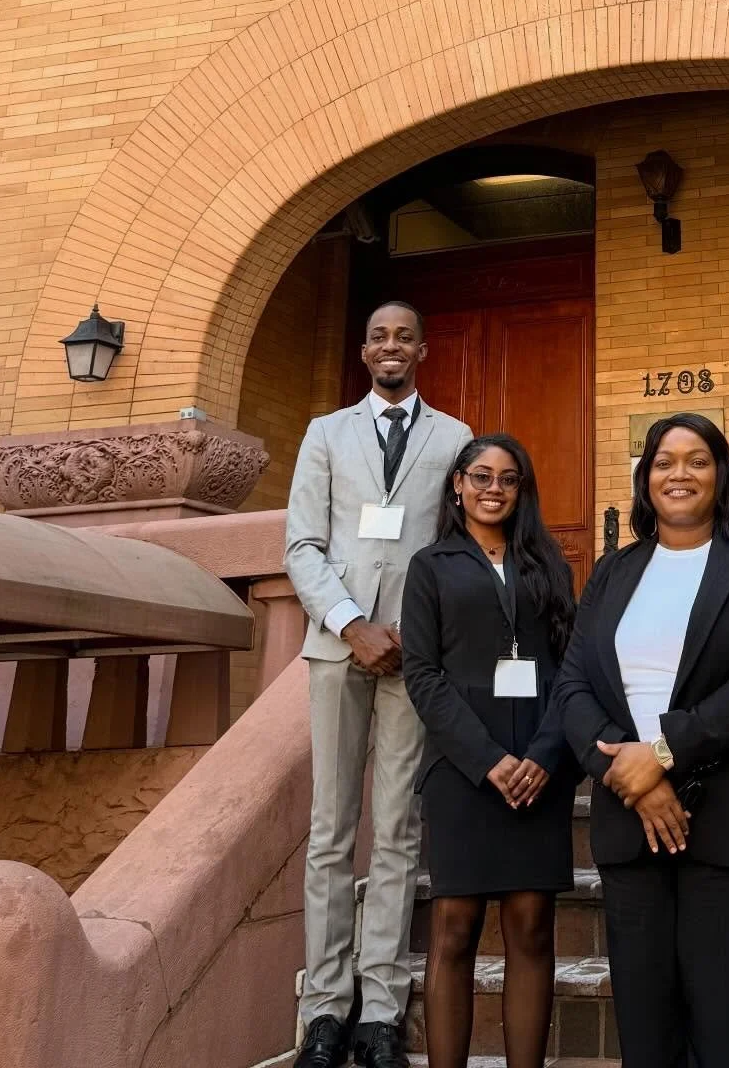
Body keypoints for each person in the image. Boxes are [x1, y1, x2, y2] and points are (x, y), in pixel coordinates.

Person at [552, 412, 729, 1068]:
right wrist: (625, 774)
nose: (679, 473)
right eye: (664, 461)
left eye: (697, 459)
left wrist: (660, 755)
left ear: (722, 475)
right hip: (630, 827)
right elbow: (573, 683)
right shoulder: (612, 572)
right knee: (648, 1032)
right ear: (645, 478)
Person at [285, 300, 471, 1068]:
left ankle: (380, 1011)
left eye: (404, 336)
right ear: (363, 352)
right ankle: (324, 1009)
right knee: (332, 829)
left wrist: (411, 637)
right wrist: (350, 624)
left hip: (413, 658)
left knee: (396, 830)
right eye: (378, 337)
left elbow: (454, 544)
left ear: (422, 350)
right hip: (339, 651)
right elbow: (302, 542)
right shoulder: (326, 433)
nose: (391, 347)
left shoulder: (454, 437)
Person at [400, 434, 578, 1068]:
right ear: (457, 484)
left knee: (530, 925)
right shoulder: (431, 567)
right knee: (455, 929)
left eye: (507, 479)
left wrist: (545, 755)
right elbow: (422, 674)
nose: (493, 488)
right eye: (480, 476)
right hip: (464, 772)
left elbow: (573, 669)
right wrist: (488, 760)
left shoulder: (549, 565)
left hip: (539, 768)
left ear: (521, 490)